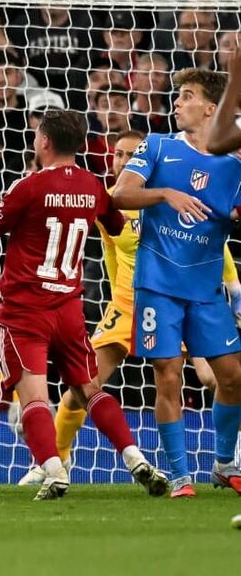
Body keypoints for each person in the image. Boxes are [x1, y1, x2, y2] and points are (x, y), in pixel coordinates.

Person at [0, 109, 167, 500]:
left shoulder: (30, 187)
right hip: (70, 307)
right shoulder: (92, 185)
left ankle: (53, 470)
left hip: (26, 309)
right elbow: (119, 224)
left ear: (44, 142)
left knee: (34, 396)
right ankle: (135, 456)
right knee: (90, 389)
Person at [33, 129, 240, 490]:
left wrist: (234, 288)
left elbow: (214, 246)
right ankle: (54, 460)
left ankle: (226, 459)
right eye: (117, 154)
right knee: (85, 383)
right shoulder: (109, 200)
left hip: (177, 299)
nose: (123, 161)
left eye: (131, 155)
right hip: (128, 306)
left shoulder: (167, 197)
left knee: (217, 378)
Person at [113, 67, 241, 497]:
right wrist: (166, 194)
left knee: (233, 376)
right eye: (177, 95)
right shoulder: (157, 145)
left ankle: (225, 463)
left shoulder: (234, 165)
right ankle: (181, 476)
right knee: (168, 374)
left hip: (206, 288)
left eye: (187, 96)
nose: (177, 102)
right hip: (158, 284)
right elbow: (120, 194)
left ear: (212, 108)